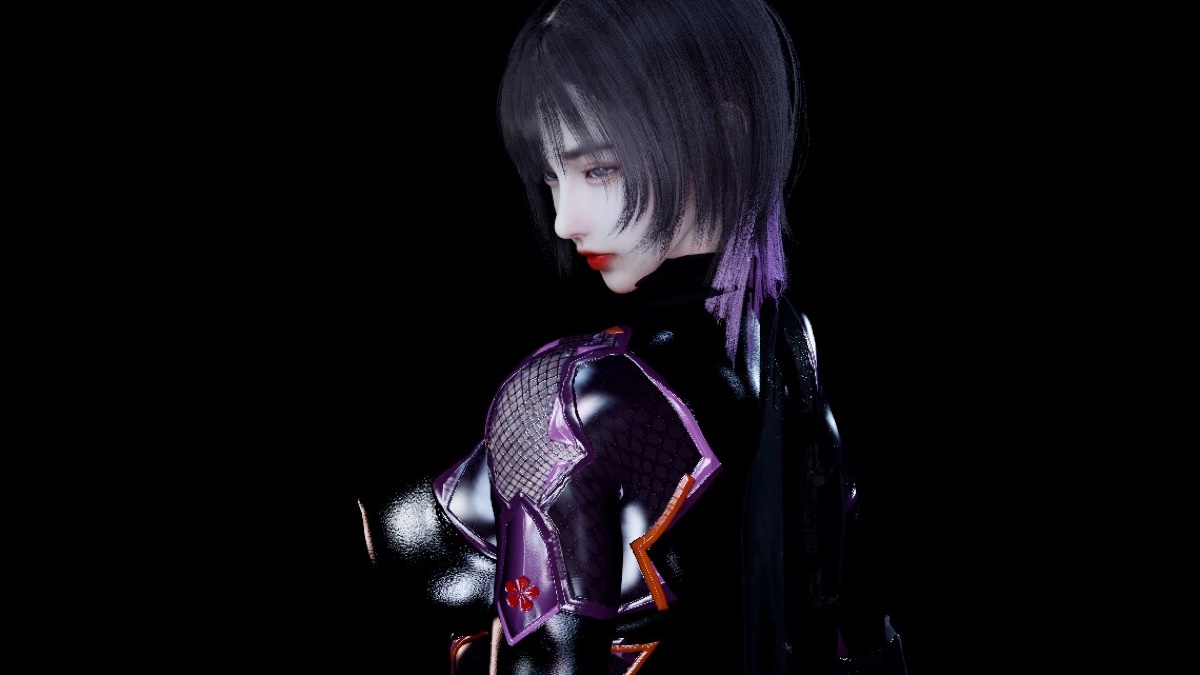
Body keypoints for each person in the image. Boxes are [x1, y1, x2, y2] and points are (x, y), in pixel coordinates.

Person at [356, 1, 908, 673]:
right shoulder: (781, 346)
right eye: (553, 176)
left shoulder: (579, 397)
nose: (564, 221)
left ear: (720, 139)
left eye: (599, 169)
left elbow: (850, 611)